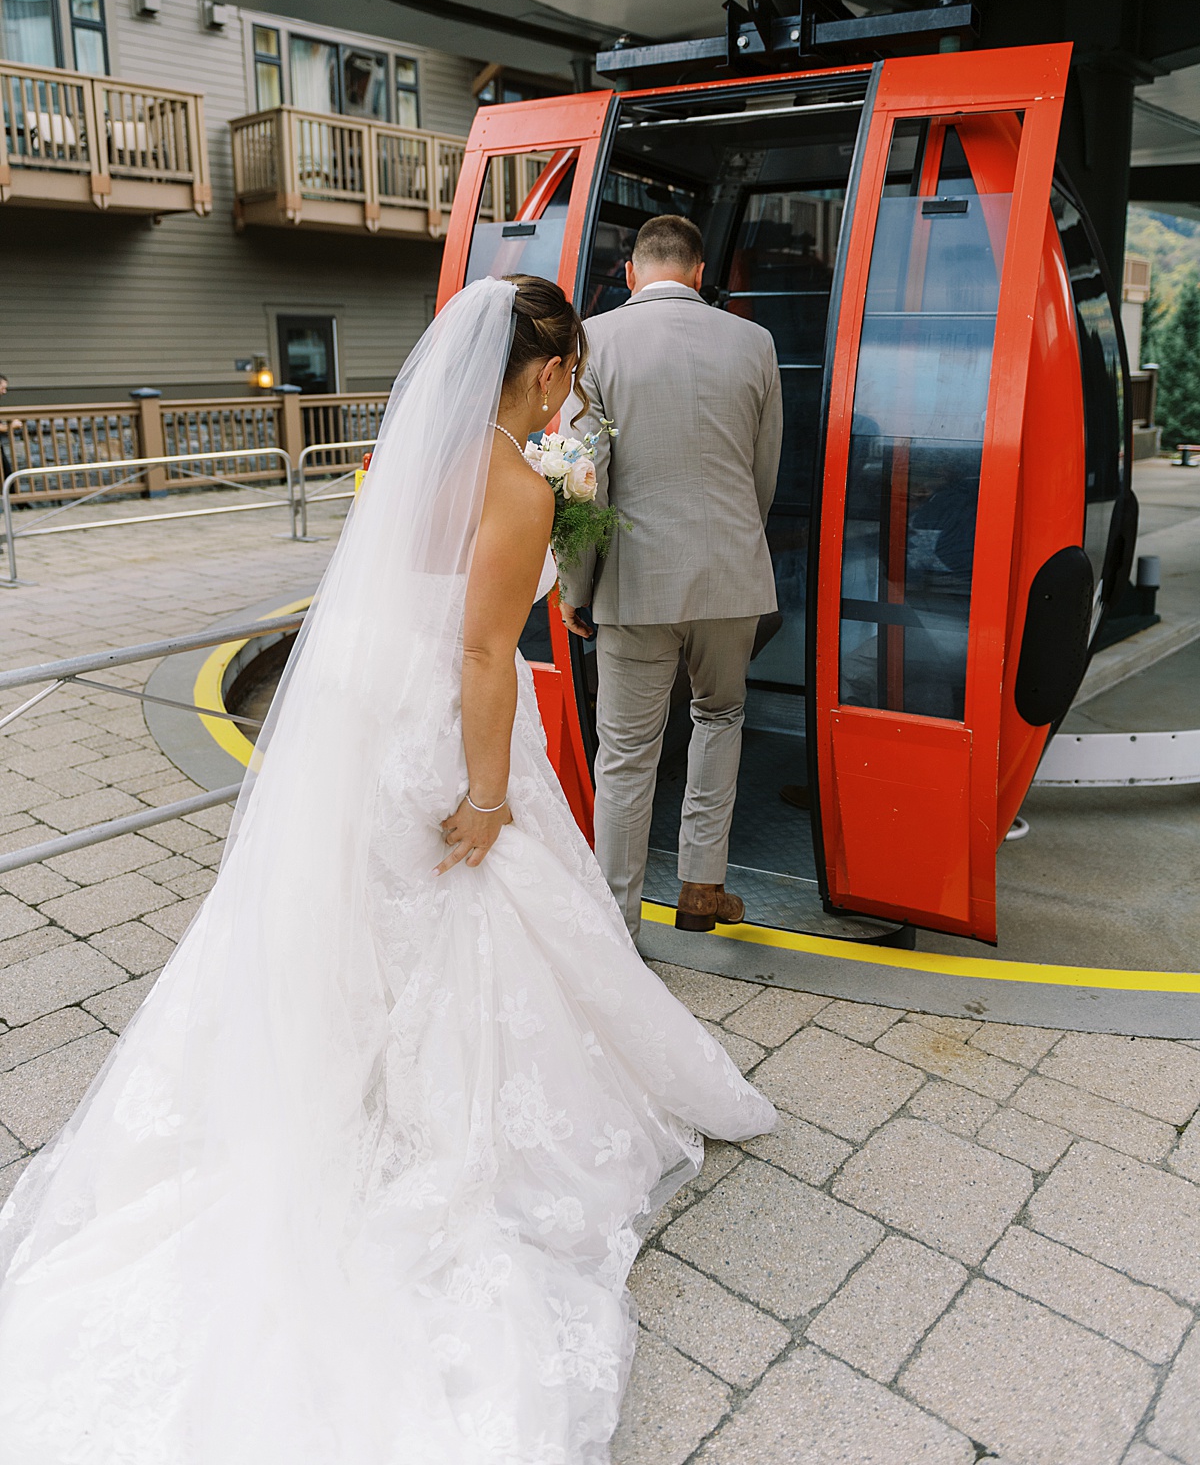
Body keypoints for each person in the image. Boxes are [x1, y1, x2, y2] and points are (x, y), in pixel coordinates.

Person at [0, 274, 773, 1464]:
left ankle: (340, 1088)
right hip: (441, 727)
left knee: (354, 914)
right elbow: (479, 652)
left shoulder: (408, 462)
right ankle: (423, 1118)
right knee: (475, 891)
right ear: (553, 372)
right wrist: (487, 792)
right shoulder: (517, 479)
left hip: (362, 720)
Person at [560, 216, 784, 940]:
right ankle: (700, 889)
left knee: (625, 757)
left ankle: (617, 925)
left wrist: (576, 590)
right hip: (732, 574)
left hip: (636, 582)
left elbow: (584, 484)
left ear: (631, 273)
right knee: (719, 718)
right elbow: (762, 472)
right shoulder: (755, 341)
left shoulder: (593, 342)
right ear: (697, 272)